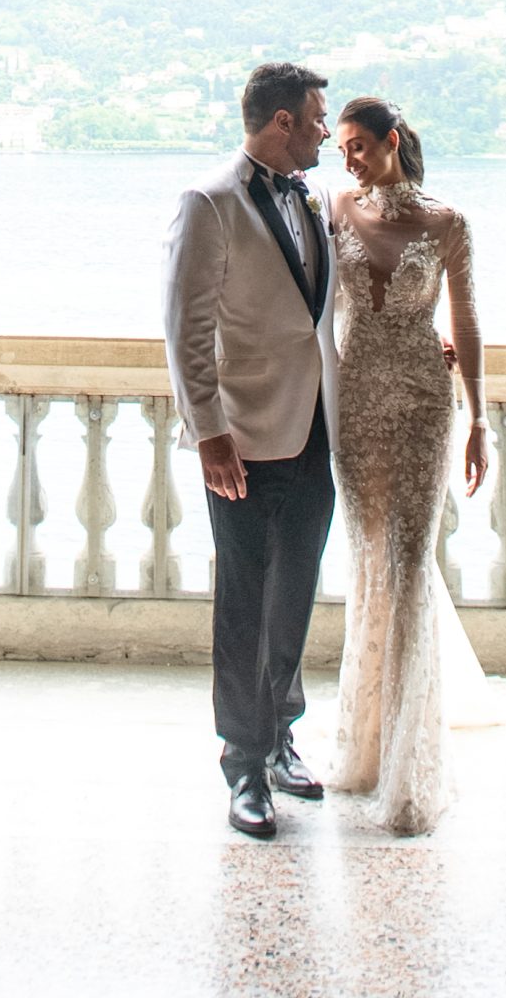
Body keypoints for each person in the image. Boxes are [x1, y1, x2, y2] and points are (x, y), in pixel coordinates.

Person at [161, 61, 337, 841]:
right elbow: (184, 328)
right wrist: (208, 433)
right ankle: (242, 762)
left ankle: (282, 736)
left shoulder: (317, 197)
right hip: (245, 437)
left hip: (317, 430)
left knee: (295, 588)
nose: (327, 130)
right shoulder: (209, 202)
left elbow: (319, 314)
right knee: (245, 600)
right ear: (281, 123)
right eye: (317, 117)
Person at [327, 93, 489, 836]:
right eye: (343, 147)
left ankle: (410, 768)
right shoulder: (335, 208)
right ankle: (362, 749)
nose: (349, 156)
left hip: (426, 398)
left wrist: (479, 417)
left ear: (392, 140)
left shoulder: (448, 222)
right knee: (368, 560)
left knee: (409, 562)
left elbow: (467, 322)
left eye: (360, 143)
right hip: (355, 401)